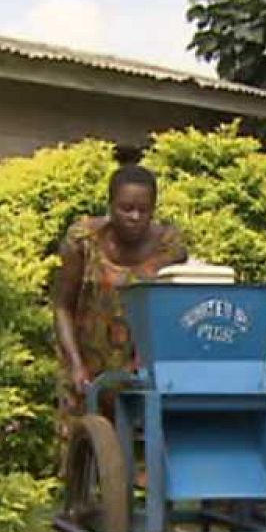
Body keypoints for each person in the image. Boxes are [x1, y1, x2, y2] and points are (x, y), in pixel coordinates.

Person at [53, 151, 187, 411]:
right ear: (110, 205)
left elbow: (174, 314)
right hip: (85, 375)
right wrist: (75, 365)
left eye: (143, 210)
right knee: (86, 433)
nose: (134, 217)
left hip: (142, 378)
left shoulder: (169, 248)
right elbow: (62, 306)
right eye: (126, 208)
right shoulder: (83, 242)